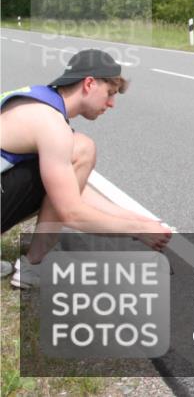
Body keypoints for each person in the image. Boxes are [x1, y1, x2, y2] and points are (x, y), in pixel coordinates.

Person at [1, 49, 172, 288]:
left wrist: (138, 219)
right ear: (89, 83)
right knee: (82, 148)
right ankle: (35, 265)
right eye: (110, 93)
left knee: (66, 166)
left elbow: (72, 190)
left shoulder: (36, 101)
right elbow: (71, 212)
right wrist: (138, 229)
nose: (111, 104)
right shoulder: (51, 125)